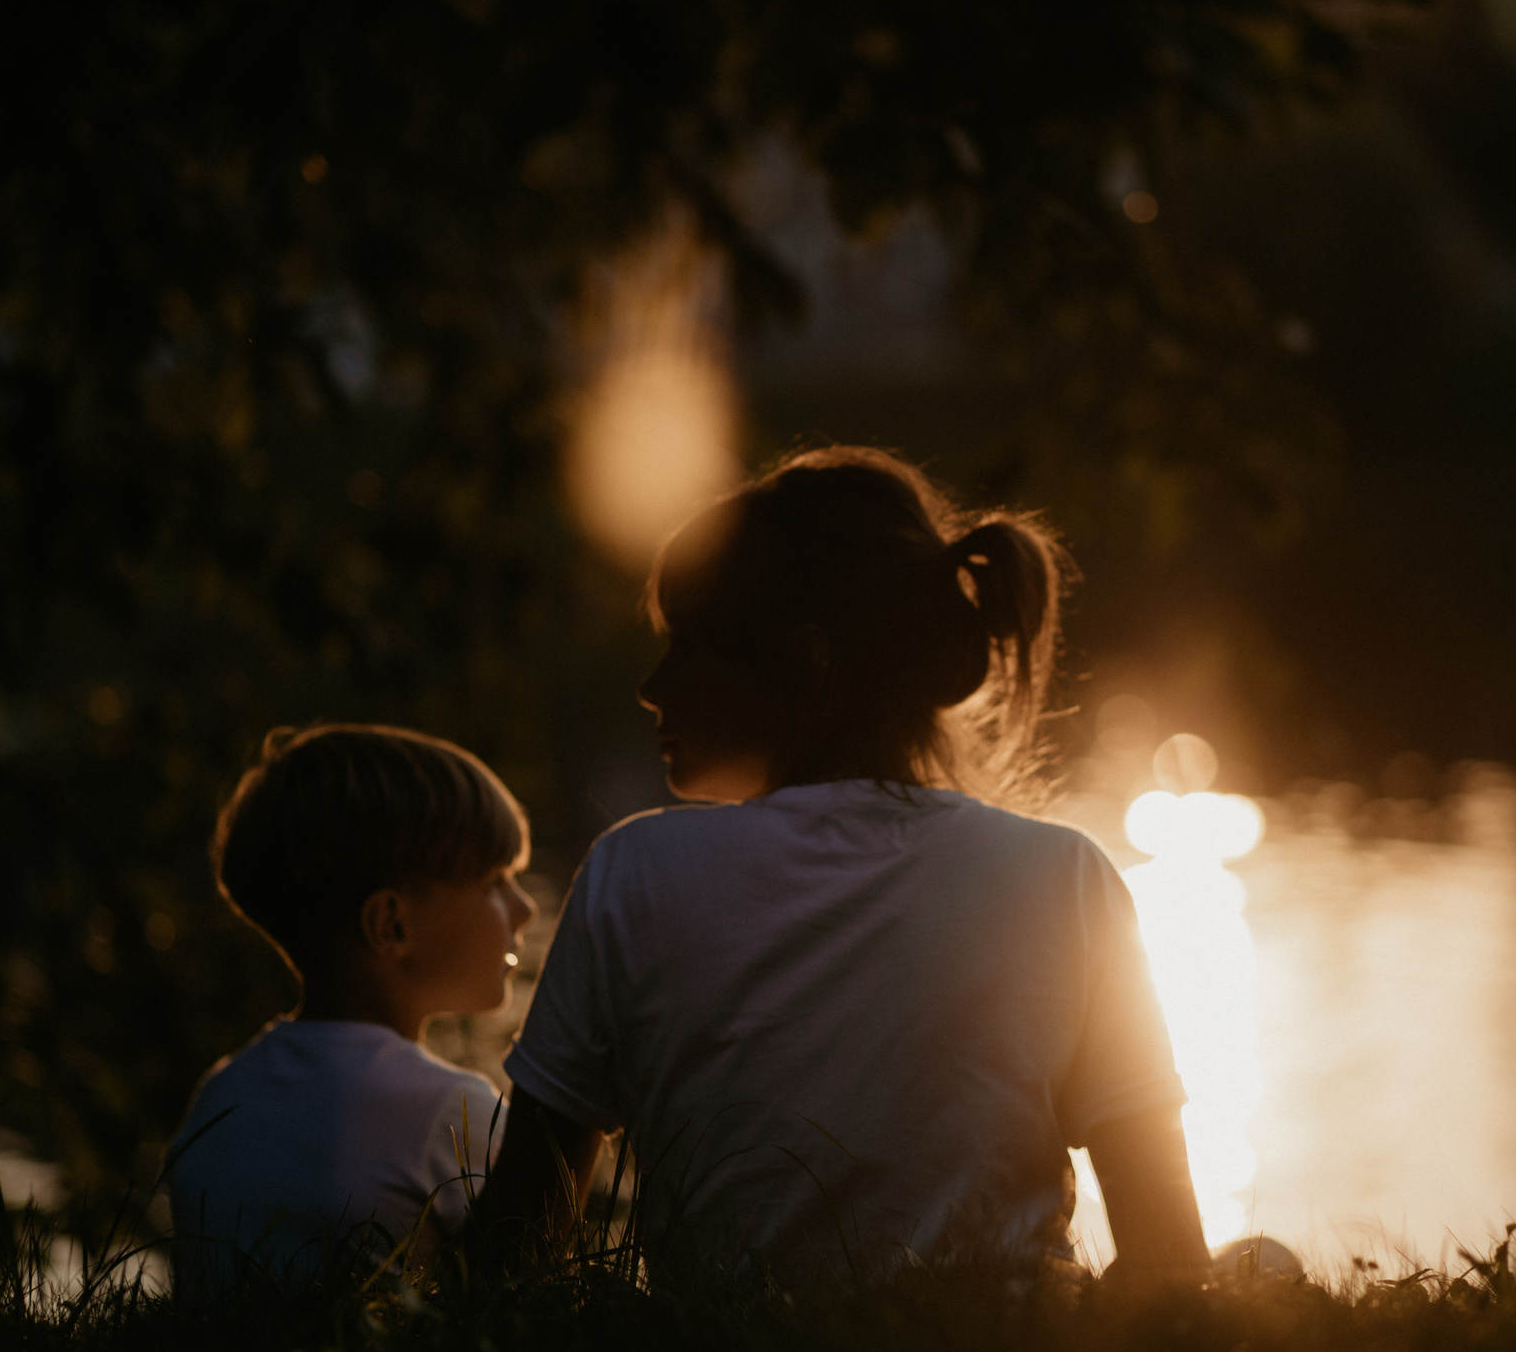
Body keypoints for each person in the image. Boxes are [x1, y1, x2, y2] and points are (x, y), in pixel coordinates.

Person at [482, 447, 1207, 1284]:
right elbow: (1170, 1259)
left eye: (691, 648)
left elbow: (514, 1253)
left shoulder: (633, 872)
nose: (651, 688)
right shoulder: (1066, 874)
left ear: (807, 662)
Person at [166, 723, 536, 1291]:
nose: (527, 908)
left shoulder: (219, 1097)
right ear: (390, 924)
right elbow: (542, 1280)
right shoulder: (452, 1112)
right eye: (495, 882)